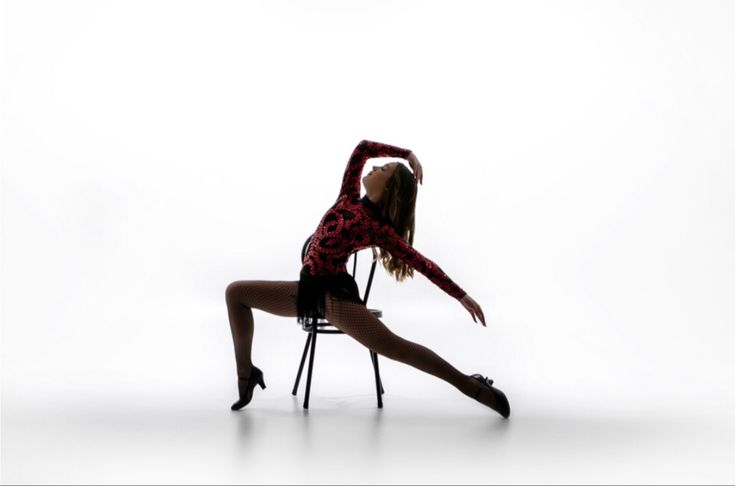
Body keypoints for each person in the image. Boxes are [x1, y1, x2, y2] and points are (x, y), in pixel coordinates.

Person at [225, 139, 510, 418]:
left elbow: (422, 264)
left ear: (390, 190)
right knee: (235, 293)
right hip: (306, 291)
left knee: (396, 348)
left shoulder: (377, 229)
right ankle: (246, 374)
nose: (374, 169)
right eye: (379, 166)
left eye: (383, 170)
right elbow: (363, 148)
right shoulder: (347, 195)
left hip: (335, 298)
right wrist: (407, 153)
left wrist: (460, 295)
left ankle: (469, 385)